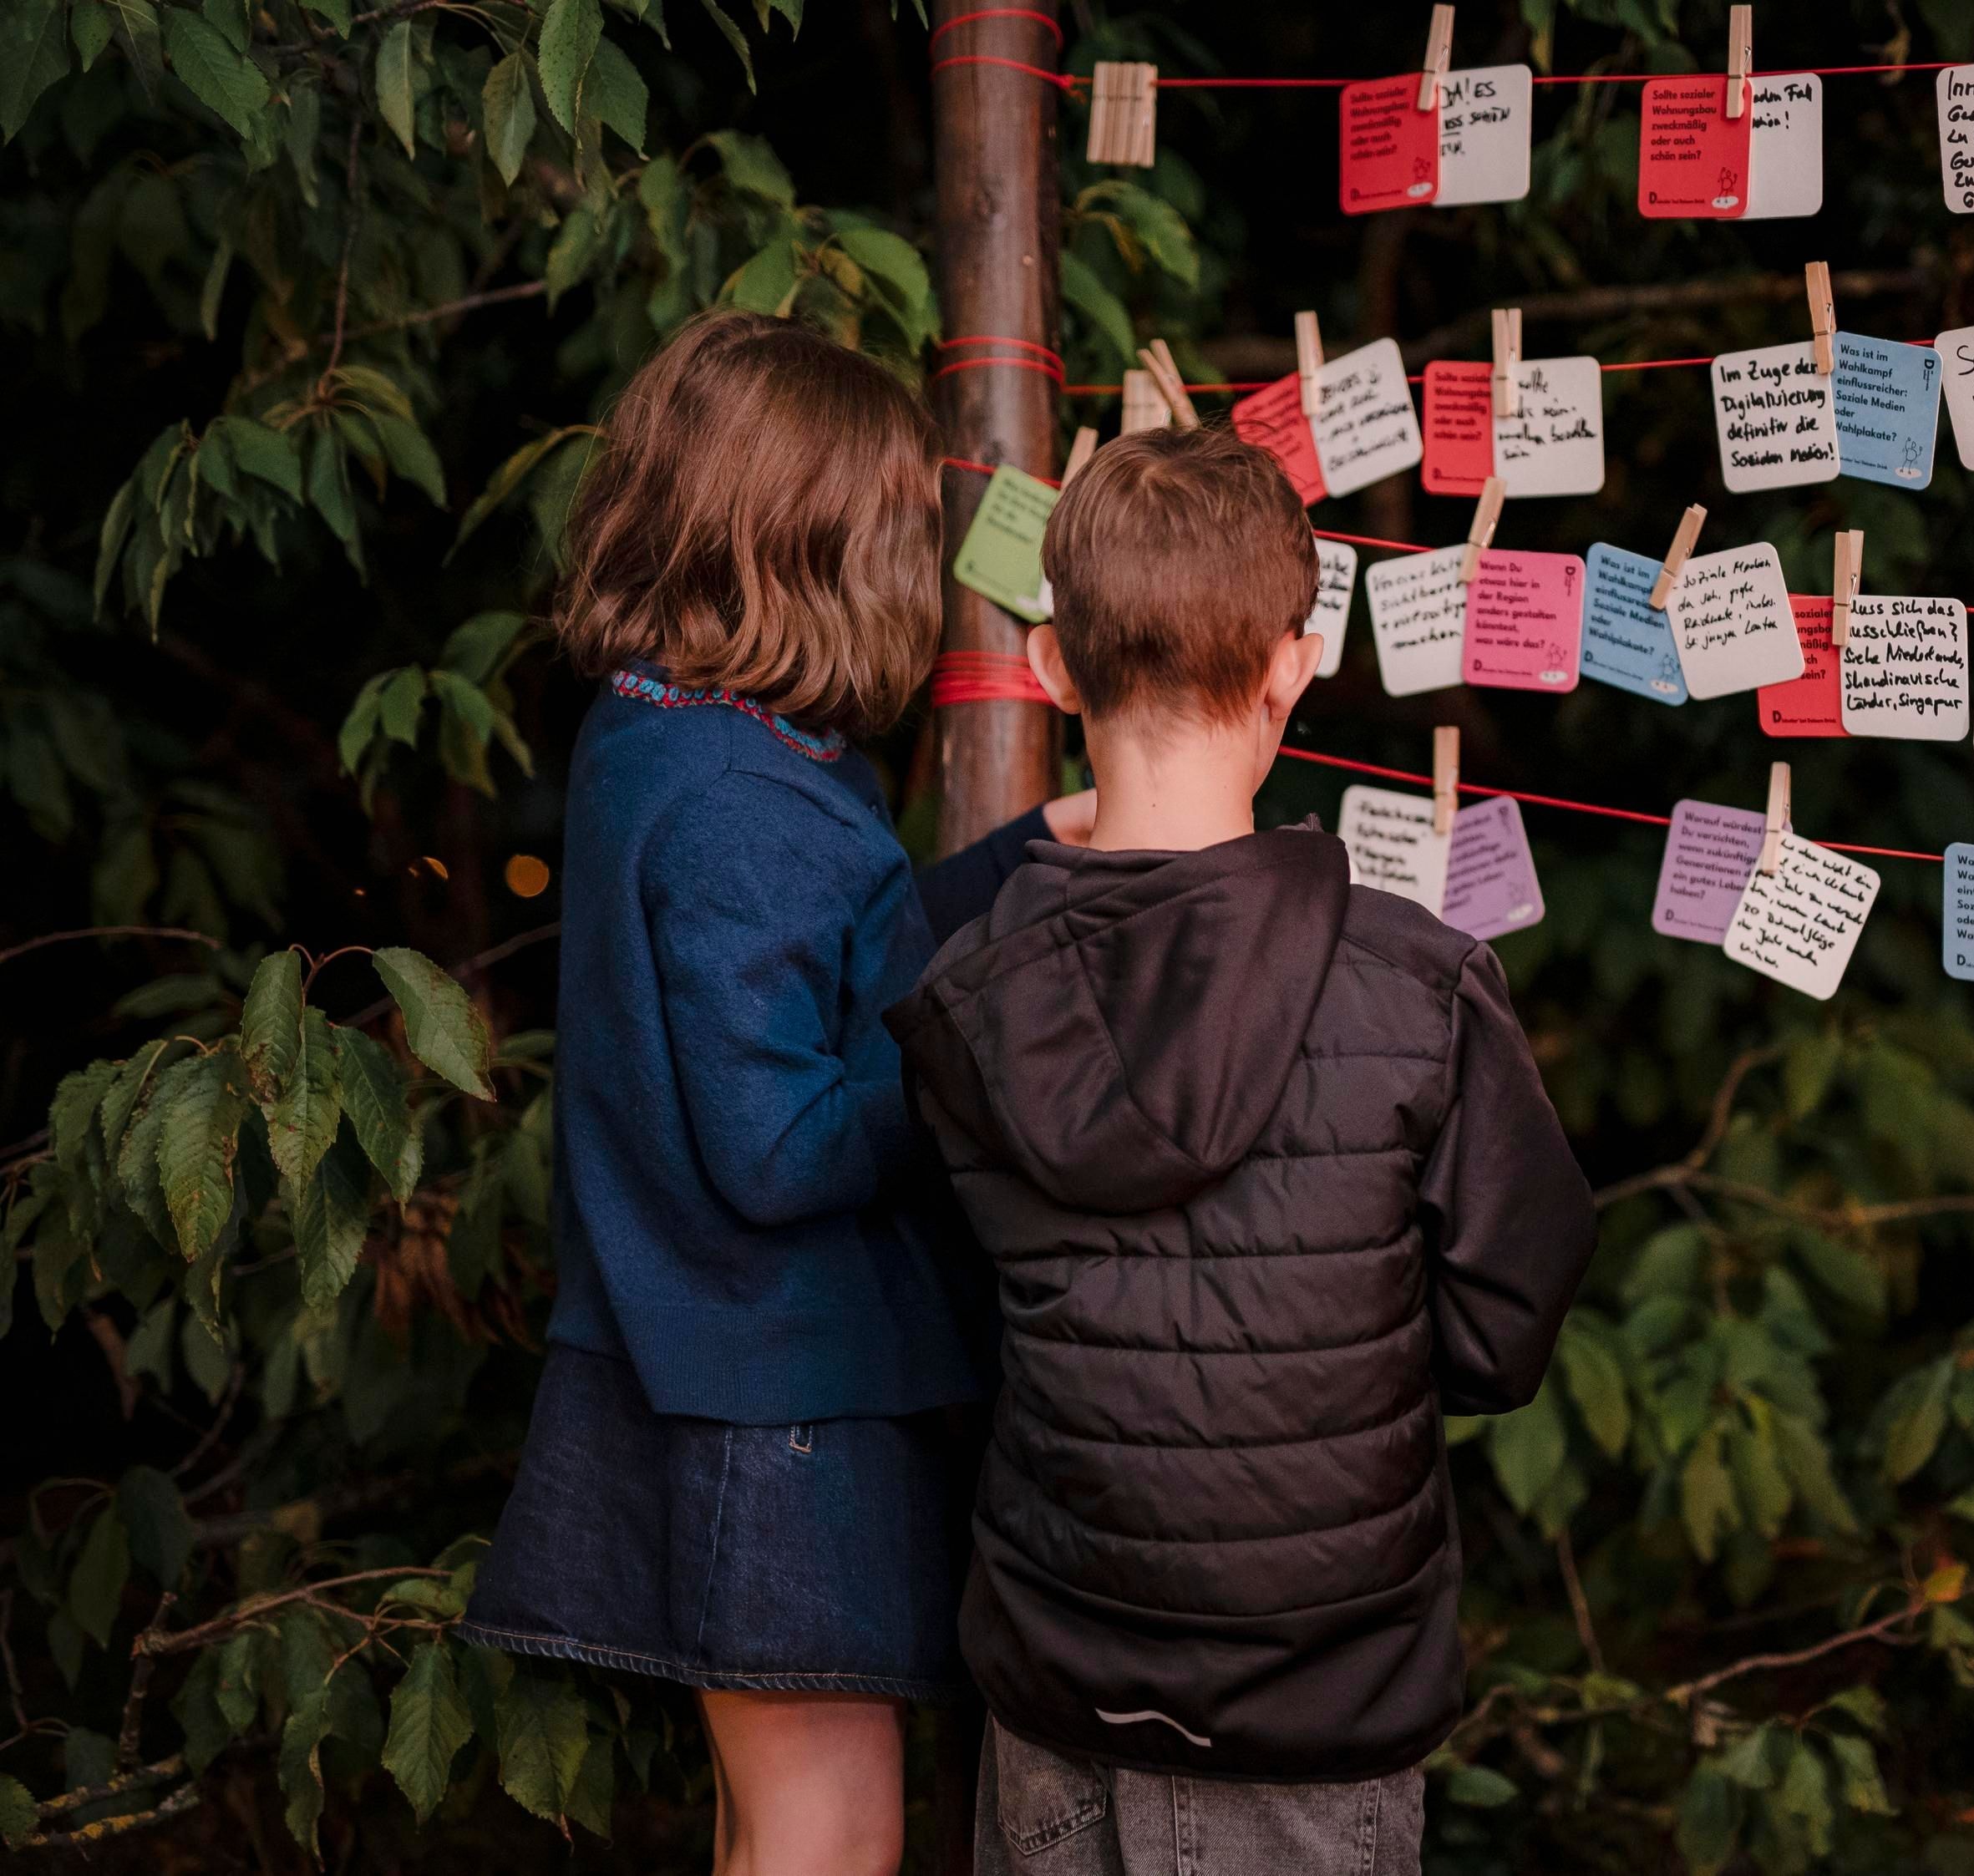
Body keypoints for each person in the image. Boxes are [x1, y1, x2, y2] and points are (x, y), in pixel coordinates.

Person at [883, 425, 1596, 1874]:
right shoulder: (1422, 988)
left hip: (1061, 1680)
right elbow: (1504, 1328)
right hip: (1317, 1697)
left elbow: (961, 1327)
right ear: (1293, 667)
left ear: (1053, 667)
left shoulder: (966, 1000)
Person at [459, 311, 1088, 1876]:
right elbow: (779, 1141)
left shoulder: (665, 738)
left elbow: (827, 961)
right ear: (824, 545)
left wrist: (1020, 864)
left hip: (725, 1372)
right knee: (828, 1836)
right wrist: (977, 1059)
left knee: (774, 1831)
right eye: (901, 527)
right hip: (780, 1398)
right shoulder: (747, 803)